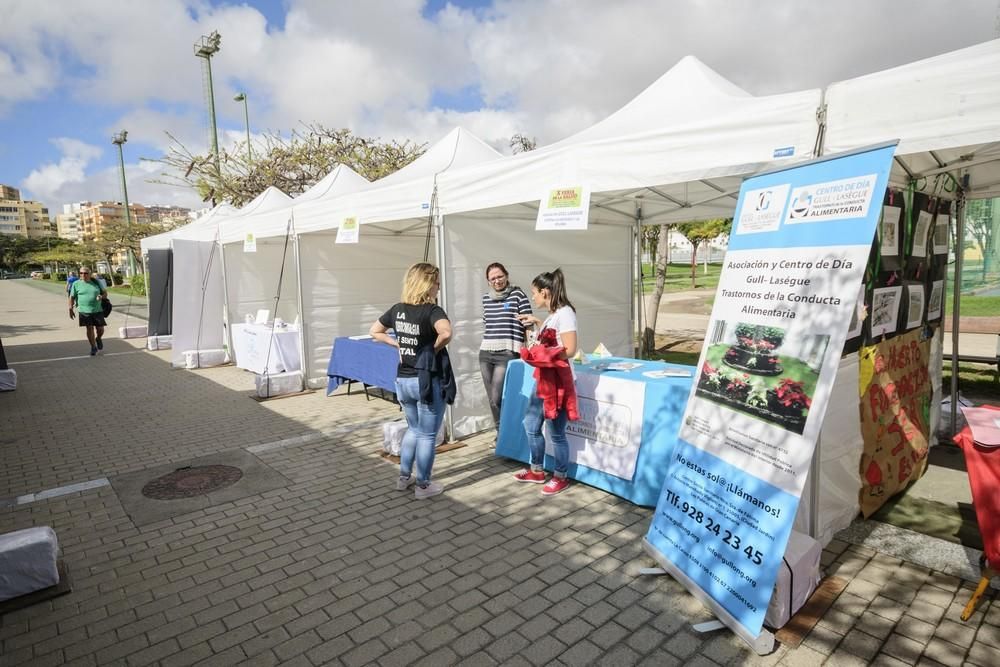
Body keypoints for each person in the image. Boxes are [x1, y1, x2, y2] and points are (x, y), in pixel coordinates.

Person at [370, 262, 454, 500]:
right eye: (436, 283)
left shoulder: (397, 309)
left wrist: (396, 343)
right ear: (427, 284)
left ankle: (404, 477)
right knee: (427, 435)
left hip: (403, 379)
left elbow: (374, 331)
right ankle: (424, 486)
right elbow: (446, 332)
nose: (438, 287)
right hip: (425, 380)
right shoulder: (432, 310)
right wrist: (430, 351)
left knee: (414, 430)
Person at [514, 268, 578, 496]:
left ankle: (561, 476)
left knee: (556, 432)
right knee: (531, 425)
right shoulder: (554, 315)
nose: (533, 297)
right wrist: (538, 324)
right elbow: (553, 339)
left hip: (558, 381)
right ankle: (537, 470)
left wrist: (541, 354)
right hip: (544, 379)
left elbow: (569, 349)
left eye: (535, 293)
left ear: (546, 291)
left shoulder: (566, 313)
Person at [480, 262, 532, 438]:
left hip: (508, 352)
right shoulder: (486, 298)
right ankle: (501, 434)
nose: (497, 281)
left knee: (497, 396)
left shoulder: (518, 295)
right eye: (492, 278)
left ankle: (508, 432)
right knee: (492, 400)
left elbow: (528, 323)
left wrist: (529, 347)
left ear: (507, 275)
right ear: (488, 281)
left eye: (499, 276)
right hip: (486, 352)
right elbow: (488, 324)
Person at [68, 267, 108, 356]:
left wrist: (101, 297)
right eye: (81, 273)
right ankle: (93, 347)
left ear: (90, 274)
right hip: (84, 311)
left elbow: (105, 293)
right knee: (89, 328)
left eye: (85, 273)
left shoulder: (96, 282)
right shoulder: (76, 284)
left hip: (97, 310)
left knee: (100, 329)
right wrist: (70, 308)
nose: (83, 275)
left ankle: (98, 338)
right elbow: (71, 297)